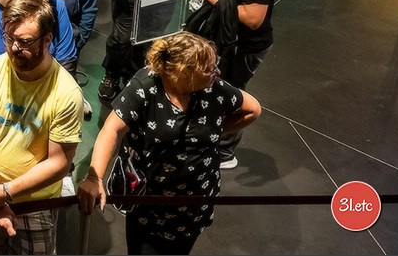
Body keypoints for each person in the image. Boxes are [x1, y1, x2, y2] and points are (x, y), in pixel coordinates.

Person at [78, 32, 261, 255]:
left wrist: (213, 132)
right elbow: (112, 129)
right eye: (209, 69)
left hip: (193, 203)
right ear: (184, 72)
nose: (217, 72)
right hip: (149, 201)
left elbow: (253, 109)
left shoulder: (214, 88)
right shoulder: (146, 86)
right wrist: (94, 177)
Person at [0, 0, 83, 255]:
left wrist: (5, 193)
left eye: (25, 41)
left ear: (48, 39)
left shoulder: (66, 93)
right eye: (9, 38)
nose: (15, 48)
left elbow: (58, 162)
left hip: (35, 202)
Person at [193, 0, 282, 168]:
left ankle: (224, 152)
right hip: (232, 42)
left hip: (245, 47)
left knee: (231, 94)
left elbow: (255, 17)